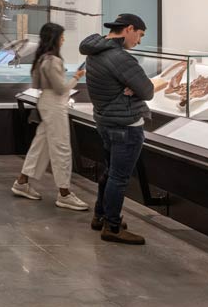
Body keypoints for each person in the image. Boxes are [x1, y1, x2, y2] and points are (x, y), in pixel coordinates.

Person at [79, 13, 158, 245]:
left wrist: (129, 86)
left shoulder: (95, 52)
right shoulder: (121, 58)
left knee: (110, 171)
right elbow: (148, 91)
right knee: (119, 177)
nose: (139, 41)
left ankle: (100, 215)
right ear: (129, 29)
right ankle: (112, 227)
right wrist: (133, 87)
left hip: (105, 121)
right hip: (126, 124)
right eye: (140, 35)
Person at [11, 23, 88, 211]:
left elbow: (39, 84)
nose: (64, 39)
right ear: (55, 38)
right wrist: (76, 78)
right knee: (61, 147)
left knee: (41, 144)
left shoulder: (41, 59)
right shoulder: (53, 60)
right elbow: (61, 89)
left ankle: (22, 182)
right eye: (61, 36)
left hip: (46, 102)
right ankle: (64, 193)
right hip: (55, 104)